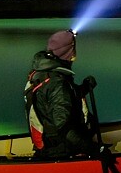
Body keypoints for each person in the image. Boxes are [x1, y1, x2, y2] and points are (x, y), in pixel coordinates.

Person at [24, 29, 101, 159]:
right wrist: (95, 150)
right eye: (73, 50)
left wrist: (83, 89)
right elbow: (64, 129)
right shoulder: (58, 83)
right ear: (69, 54)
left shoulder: (43, 74)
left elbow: (55, 101)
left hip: (50, 147)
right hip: (62, 152)